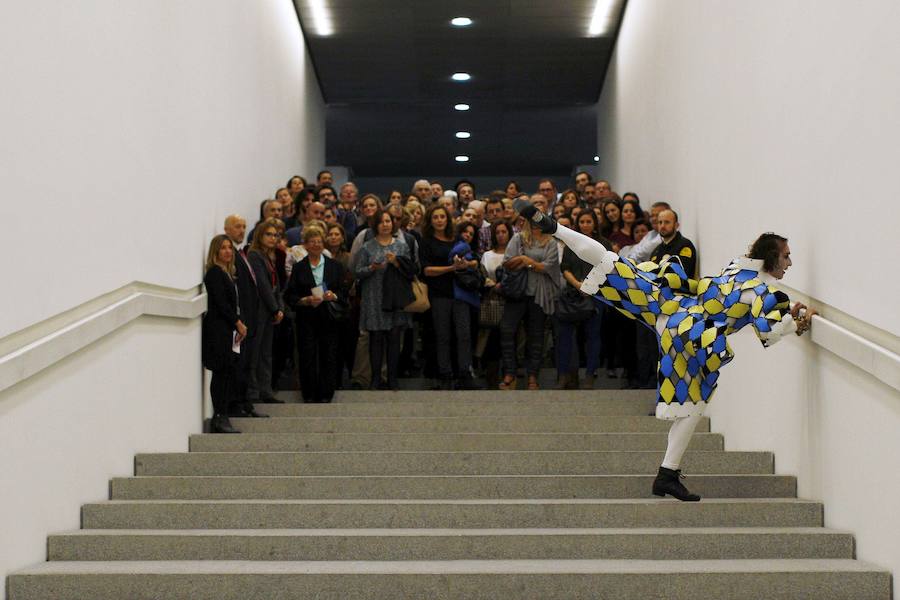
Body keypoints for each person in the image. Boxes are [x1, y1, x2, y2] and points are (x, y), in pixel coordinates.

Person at [521, 206, 816, 502]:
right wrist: (799, 322)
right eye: (786, 255)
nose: (790, 262)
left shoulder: (737, 270)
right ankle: (667, 474)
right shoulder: (765, 293)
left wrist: (788, 317)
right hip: (689, 332)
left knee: (614, 264)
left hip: (669, 304)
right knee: (695, 402)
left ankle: (554, 228)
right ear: (771, 257)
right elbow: (770, 331)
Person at [499, 210, 560, 390]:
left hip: (539, 295)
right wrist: (525, 260)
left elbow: (548, 267)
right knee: (507, 331)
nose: (535, 223)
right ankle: (510, 372)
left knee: (536, 336)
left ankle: (533, 376)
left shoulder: (551, 242)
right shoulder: (518, 238)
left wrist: (526, 260)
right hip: (517, 293)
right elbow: (507, 263)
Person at [284, 227, 346, 403]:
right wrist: (305, 300)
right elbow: (290, 295)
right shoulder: (299, 267)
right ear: (305, 245)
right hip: (307, 317)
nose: (316, 245)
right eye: (312, 242)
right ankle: (309, 394)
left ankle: (327, 393)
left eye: (319, 241)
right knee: (307, 355)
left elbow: (343, 291)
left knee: (329, 354)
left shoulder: (335, 265)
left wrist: (333, 296)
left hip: (329, 317)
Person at [421, 205, 479, 389]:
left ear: (448, 219)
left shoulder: (457, 239)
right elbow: (427, 271)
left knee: (464, 335)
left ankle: (465, 373)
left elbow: (475, 262)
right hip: (439, 294)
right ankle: (444, 374)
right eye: (435, 217)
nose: (439, 220)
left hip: (461, 293)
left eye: (442, 217)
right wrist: (451, 268)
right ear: (430, 221)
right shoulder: (427, 242)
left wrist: (464, 264)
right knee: (442, 335)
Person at [355, 210, 414, 390]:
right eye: (381, 222)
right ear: (375, 225)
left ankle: (392, 378)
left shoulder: (402, 247)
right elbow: (358, 271)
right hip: (373, 296)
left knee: (394, 338)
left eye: (388, 221)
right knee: (376, 338)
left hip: (395, 297)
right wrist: (372, 267)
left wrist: (397, 263)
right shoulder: (367, 247)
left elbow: (410, 271)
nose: (385, 224)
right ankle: (375, 379)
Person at [558, 210, 610, 389]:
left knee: (593, 337)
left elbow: (609, 268)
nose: (585, 225)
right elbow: (564, 268)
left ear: (595, 223)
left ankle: (590, 374)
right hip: (572, 295)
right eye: (582, 222)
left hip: (596, 296)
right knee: (566, 337)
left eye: (589, 221)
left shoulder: (603, 244)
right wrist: (577, 284)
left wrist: (590, 286)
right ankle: (564, 375)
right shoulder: (570, 244)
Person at [202, 235, 247, 433]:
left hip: (227, 328)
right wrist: (237, 322)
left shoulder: (227, 273)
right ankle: (219, 416)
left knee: (228, 371)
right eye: (223, 248)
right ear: (216, 252)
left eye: (230, 248)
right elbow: (220, 303)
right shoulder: (214, 273)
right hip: (218, 329)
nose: (228, 251)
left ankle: (223, 414)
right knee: (221, 372)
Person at [246, 218, 285, 405]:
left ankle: (265, 390)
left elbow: (276, 285)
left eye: (275, 235)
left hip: (269, 310)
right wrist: (275, 308)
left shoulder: (271, 256)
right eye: (268, 234)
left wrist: (279, 308)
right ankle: (254, 392)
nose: (272, 238)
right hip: (259, 310)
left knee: (266, 353)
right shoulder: (254, 255)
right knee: (256, 352)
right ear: (259, 236)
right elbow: (262, 284)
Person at [650, 209, 698, 278]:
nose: (662, 226)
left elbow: (682, 274)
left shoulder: (685, 245)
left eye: (667, 222)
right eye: (660, 222)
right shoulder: (656, 251)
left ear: (676, 225)